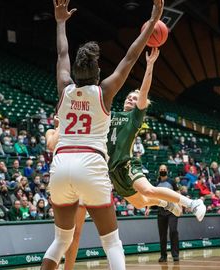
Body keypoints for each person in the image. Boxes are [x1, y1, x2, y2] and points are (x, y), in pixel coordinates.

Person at [56, 46, 205, 270]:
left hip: (126, 164)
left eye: (135, 98)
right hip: (107, 171)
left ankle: (191, 203)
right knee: (142, 202)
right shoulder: (109, 114)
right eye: (129, 96)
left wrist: (150, 66)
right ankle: (166, 202)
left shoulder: (135, 118)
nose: (131, 99)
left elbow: (144, 92)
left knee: (147, 191)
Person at [41, 0, 164, 269]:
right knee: (111, 243)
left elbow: (62, 54)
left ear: (75, 73)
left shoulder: (65, 88)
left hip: (60, 165)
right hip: (91, 164)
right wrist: (153, 20)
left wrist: (60, 21)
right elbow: (131, 56)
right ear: (98, 74)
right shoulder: (104, 92)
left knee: (60, 241)